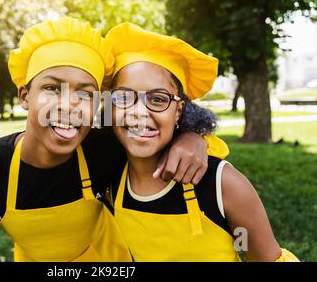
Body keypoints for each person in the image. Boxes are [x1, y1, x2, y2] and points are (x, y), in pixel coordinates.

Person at [0, 17, 229, 262]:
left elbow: (156, 130)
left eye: (85, 93)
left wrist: (192, 137)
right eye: (51, 88)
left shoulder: (106, 148)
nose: (69, 105)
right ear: (24, 96)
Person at [105, 22, 300, 262]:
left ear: (179, 110)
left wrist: (196, 136)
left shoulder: (223, 184)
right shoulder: (108, 177)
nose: (139, 112)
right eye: (123, 97)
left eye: (157, 99)